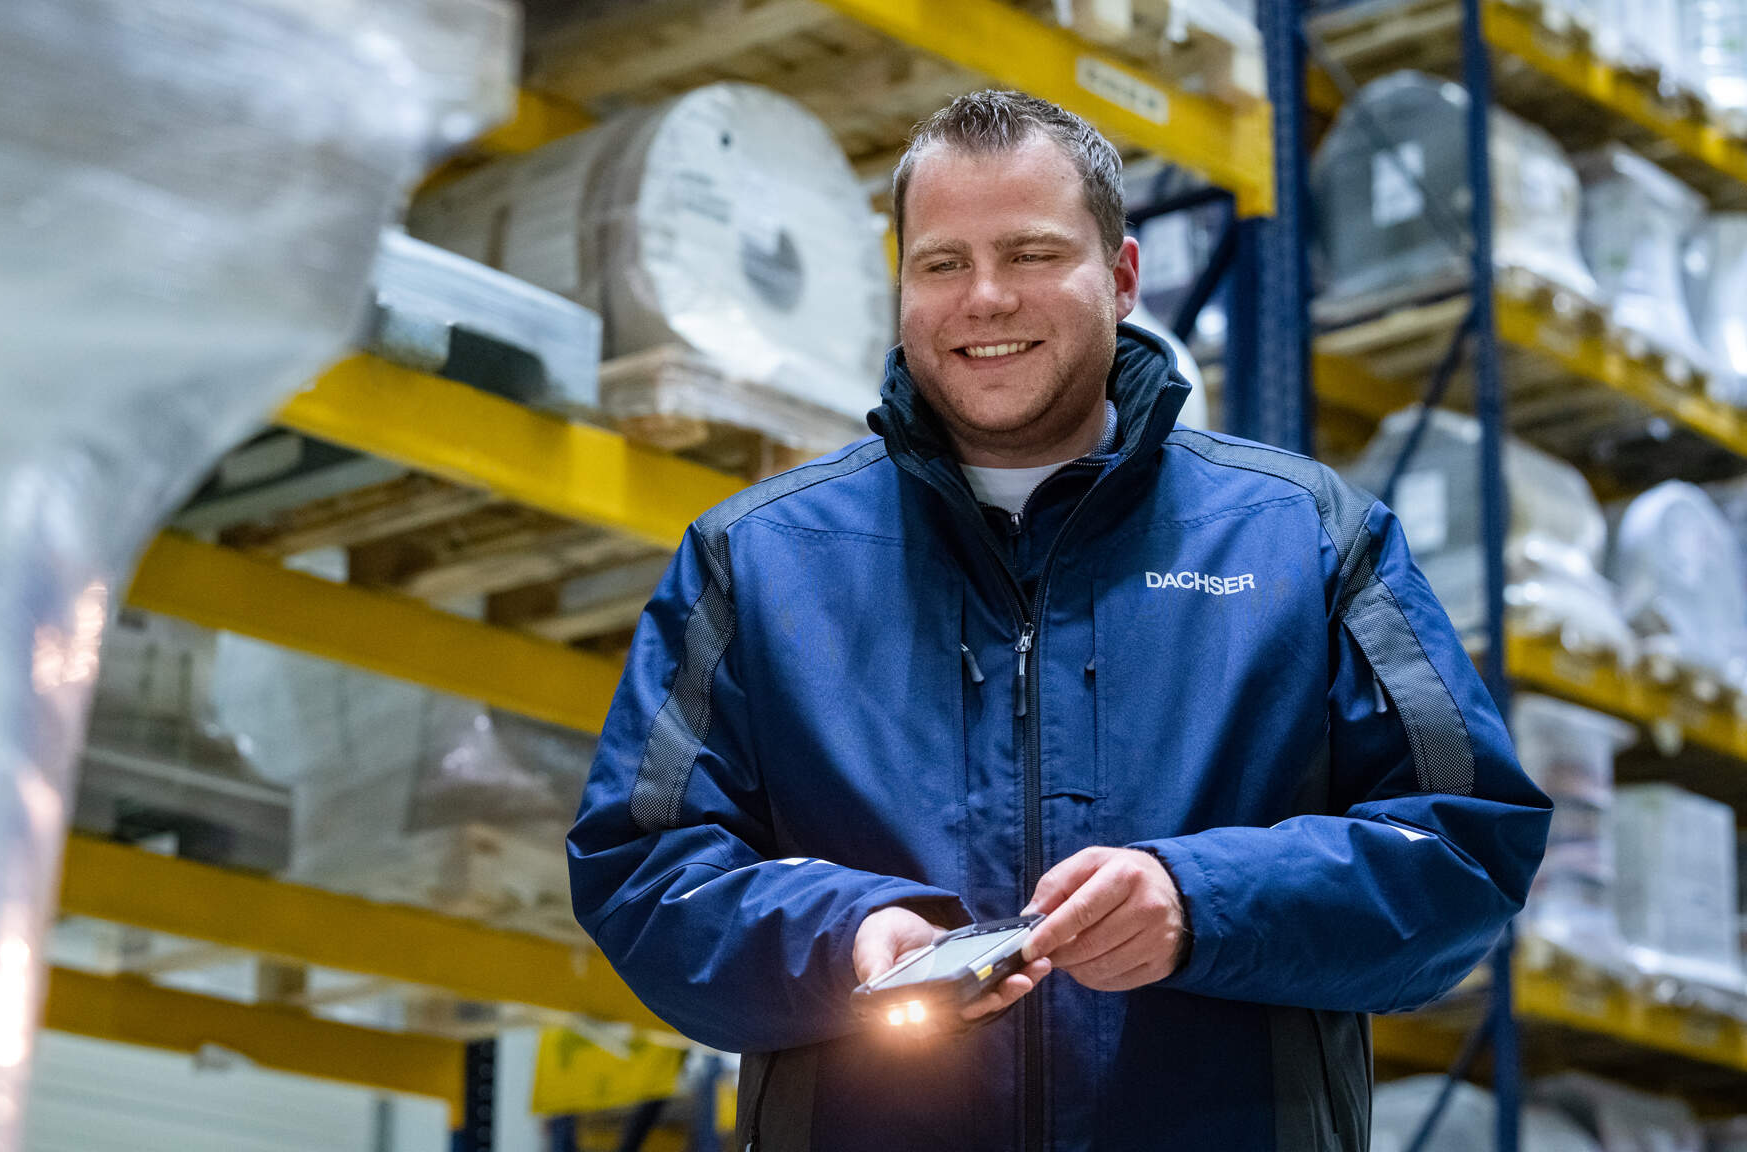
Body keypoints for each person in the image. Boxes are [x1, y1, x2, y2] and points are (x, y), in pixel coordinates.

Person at [567, 89, 1551, 1152]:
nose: (983, 299)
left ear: (1120, 279)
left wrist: (1197, 904)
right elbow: (642, 870)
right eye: (941, 263)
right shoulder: (756, 560)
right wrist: (845, 938)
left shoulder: (1302, 539)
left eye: (1031, 255)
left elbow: (1463, 845)